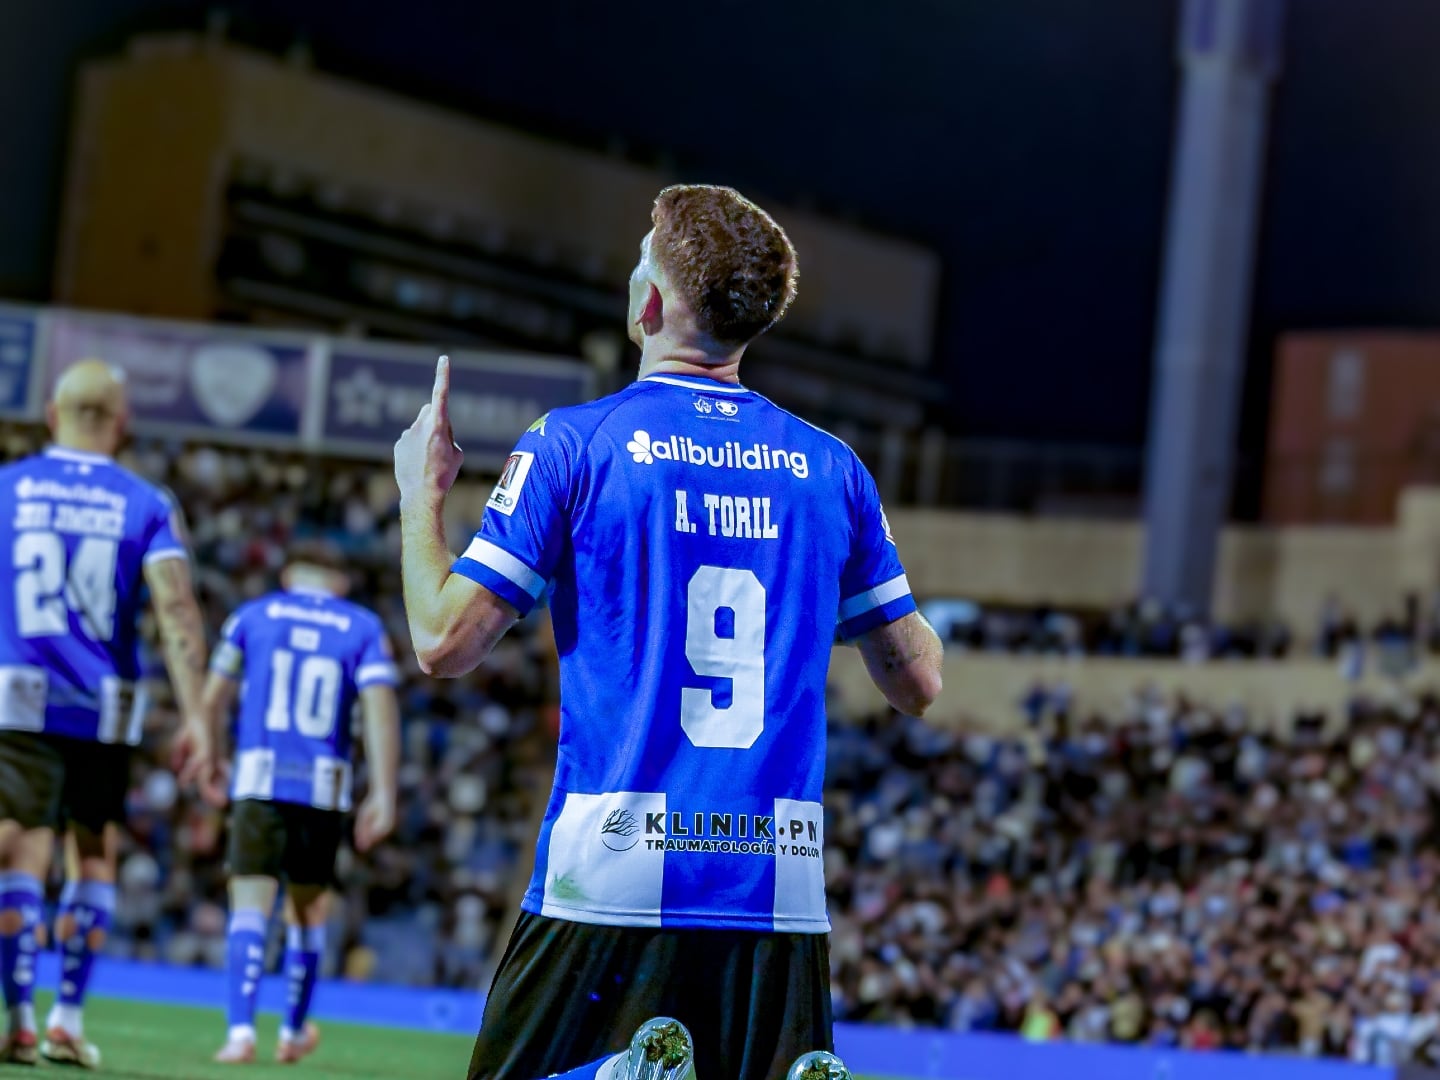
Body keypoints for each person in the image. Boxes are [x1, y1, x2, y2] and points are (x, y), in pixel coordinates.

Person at [395, 184, 943, 1080]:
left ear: (649, 304)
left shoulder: (576, 443)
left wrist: (421, 498)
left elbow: (442, 642)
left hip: (612, 870)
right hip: (776, 888)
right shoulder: (832, 469)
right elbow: (918, 682)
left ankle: (614, 1075)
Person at [0, 360, 211, 1067]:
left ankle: (19, 1018)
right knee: (93, 854)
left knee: (20, 850)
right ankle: (67, 1017)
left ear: (52, 415)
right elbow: (177, 610)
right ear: (122, 427)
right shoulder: (146, 502)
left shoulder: (9, 488)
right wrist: (199, 719)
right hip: (104, 708)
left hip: (16, 696)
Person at [200, 543, 401, 1065]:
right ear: (339, 582)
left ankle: (240, 1033)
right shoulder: (362, 627)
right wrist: (383, 790)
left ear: (290, 574)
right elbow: (380, 709)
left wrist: (212, 755)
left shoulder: (252, 615)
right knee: (308, 914)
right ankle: (291, 1032)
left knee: (249, 908)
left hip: (258, 778)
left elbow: (214, 697)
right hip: (322, 788)